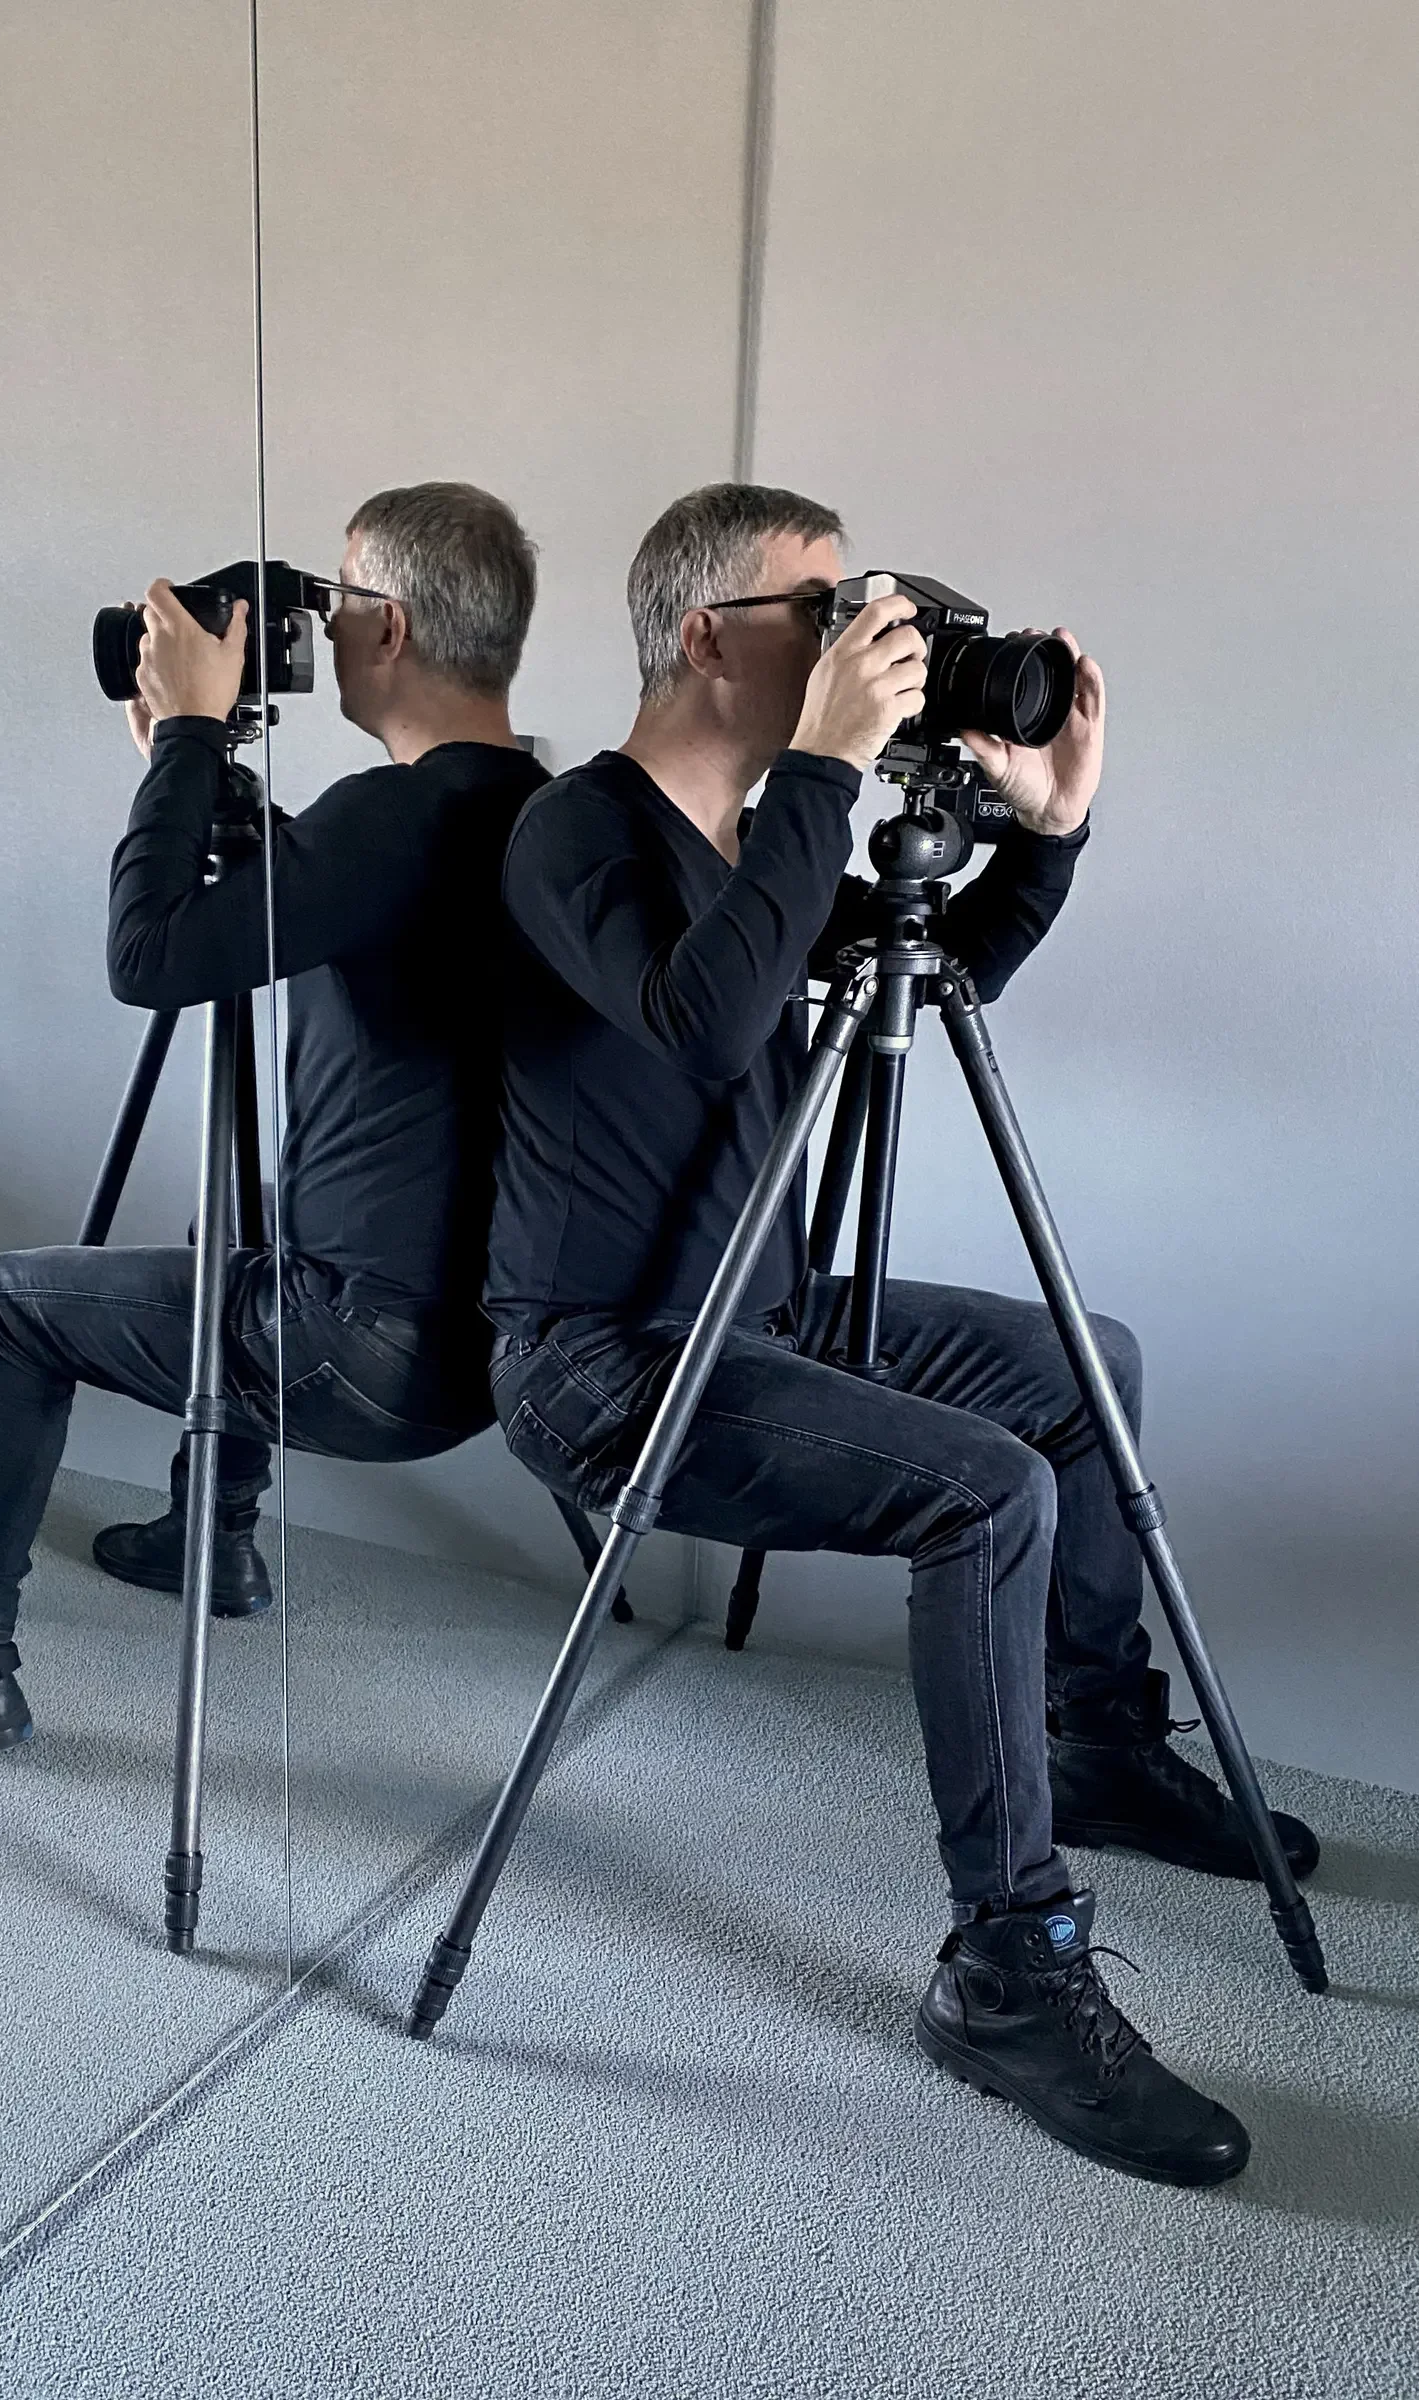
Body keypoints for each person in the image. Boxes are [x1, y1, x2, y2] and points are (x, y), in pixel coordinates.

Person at [483, 481, 1318, 2186]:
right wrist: (817, 773)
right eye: (825, 612)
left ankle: (1096, 1746)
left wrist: (1050, 827)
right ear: (708, 635)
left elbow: (943, 969)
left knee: (1081, 1368)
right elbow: (709, 1024)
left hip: (765, 1324)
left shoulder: (759, 845)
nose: (868, 638)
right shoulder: (570, 833)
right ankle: (1006, 1971)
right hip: (607, 1365)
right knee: (982, 1489)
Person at [0, 481, 546, 1752]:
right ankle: (215, 1535)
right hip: (503, 1351)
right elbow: (341, 895)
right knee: (235, 1217)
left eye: (339, 595)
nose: (317, 621)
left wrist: (192, 745)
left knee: (12, 1301)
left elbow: (148, 957)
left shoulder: (391, 816)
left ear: (394, 628)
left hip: (356, 1357)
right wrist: (194, 772)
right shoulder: (537, 806)